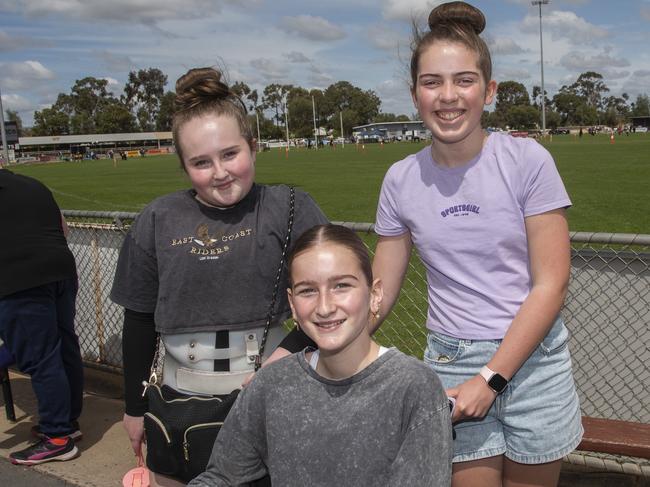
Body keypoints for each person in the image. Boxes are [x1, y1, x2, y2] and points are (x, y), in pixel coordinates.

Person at [371, 2, 583, 486]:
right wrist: (316, 342)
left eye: (464, 80)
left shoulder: (528, 160)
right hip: (452, 362)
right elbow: (378, 291)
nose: (448, 96)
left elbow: (551, 285)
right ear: (414, 94)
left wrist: (492, 377)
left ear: (488, 91)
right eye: (432, 83)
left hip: (534, 360)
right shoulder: (401, 179)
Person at [110, 67, 328, 487]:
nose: (220, 172)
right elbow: (137, 319)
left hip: (269, 400)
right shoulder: (157, 219)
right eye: (201, 162)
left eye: (230, 154)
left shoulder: (290, 207)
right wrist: (134, 408)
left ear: (254, 146)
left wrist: (291, 353)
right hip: (175, 409)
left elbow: (334, 302)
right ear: (183, 165)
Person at [189, 224, 453, 487]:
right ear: (292, 304)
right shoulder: (272, 384)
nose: (325, 307)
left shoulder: (414, 387)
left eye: (341, 286)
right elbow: (222, 477)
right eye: (308, 291)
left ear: (374, 294)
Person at [0, 168, 83, 465]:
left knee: (41, 357)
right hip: (60, 269)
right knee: (63, 346)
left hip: (19, 279)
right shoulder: (32, 184)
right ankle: (67, 424)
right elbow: (64, 228)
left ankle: (57, 437)